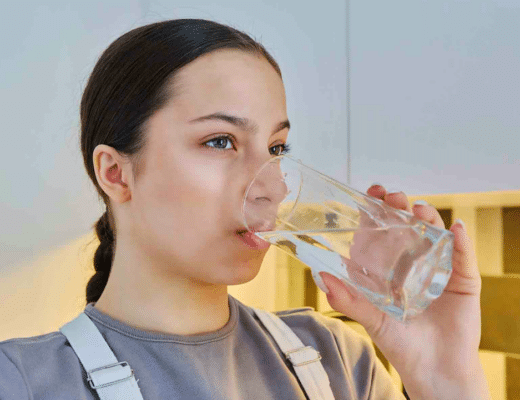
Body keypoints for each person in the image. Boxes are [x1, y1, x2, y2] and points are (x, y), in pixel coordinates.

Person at [0, 19, 490, 399]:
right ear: (115, 173)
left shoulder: (337, 360)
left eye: (276, 149)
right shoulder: (22, 382)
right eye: (220, 141)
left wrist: (445, 377)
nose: (272, 186)